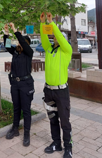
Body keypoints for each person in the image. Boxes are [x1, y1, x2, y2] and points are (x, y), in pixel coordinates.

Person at [40, 12, 73, 158]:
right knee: (53, 119)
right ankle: (56, 143)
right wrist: (42, 24)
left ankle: (68, 147)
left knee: (64, 121)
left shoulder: (66, 51)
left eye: (56, 37)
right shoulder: (49, 50)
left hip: (61, 92)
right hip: (49, 91)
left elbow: (59, 36)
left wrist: (51, 23)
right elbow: (44, 39)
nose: (54, 38)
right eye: (53, 37)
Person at [3, 22, 34, 147]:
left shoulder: (29, 53)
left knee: (26, 109)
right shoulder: (15, 53)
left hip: (26, 84)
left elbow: (22, 42)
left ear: (26, 44)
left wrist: (15, 31)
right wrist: (6, 33)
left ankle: (26, 133)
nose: (19, 43)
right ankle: (15, 128)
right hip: (15, 84)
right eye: (19, 42)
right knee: (16, 107)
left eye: (21, 42)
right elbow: (7, 45)